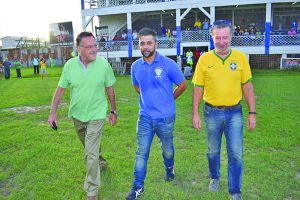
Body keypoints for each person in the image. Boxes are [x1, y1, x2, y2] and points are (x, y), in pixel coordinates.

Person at [48, 31, 117, 200]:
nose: (94, 49)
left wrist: (113, 111)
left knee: (90, 153)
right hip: (77, 115)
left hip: (97, 113)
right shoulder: (69, 66)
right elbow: (60, 90)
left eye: (95, 45)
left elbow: (110, 88)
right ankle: (101, 162)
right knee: (89, 148)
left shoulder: (103, 64)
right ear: (79, 49)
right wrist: (52, 113)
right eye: (89, 47)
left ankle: (92, 191)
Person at [192, 20, 256, 200]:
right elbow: (197, 88)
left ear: (231, 37)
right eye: (217, 37)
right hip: (211, 113)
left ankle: (235, 191)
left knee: (236, 153)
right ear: (212, 37)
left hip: (235, 113)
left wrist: (252, 112)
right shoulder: (204, 59)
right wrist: (195, 113)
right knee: (213, 151)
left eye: (225, 37)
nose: (221, 41)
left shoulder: (240, 58)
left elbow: (248, 86)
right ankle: (214, 177)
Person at [126, 27, 187, 200]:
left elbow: (182, 85)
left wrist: (169, 98)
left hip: (166, 118)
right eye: (141, 43)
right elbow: (137, 86)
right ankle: (138, 187)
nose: (145, 46)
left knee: (167, 149)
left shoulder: (168, 64)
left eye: (148, 43)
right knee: (141, 151)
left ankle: (170, 168)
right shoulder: (136, 66)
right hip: (145, 117)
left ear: (155, 44)